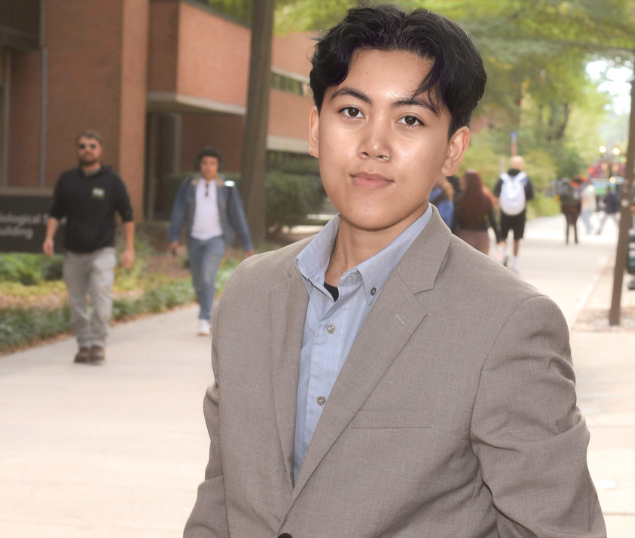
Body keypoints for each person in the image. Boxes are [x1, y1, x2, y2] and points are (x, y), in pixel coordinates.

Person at [184, 5, 604, 538]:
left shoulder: (507, 324)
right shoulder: (249, 293)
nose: (374, 146)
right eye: (352, 111)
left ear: (452, 150)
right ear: (315, 129)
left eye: (410, 120)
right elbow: (221, 500)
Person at [42, 129, 135, 364]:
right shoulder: (67, 179)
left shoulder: (112, 181)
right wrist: (49, 238)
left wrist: (129, 248)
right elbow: (55, 212)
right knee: (76, 303)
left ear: (100, 150)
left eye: (92, 146)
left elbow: (127, 215)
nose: (87, 150)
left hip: (102, 251)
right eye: (82, 146)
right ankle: (84, 345)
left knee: (101, 299)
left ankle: (98, 344)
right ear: (77, 150)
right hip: (73, 253)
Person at [168, 147, 254, 336]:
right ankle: (213, 314)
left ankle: (204, 318)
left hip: (216, 239)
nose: (208, 167)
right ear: (199, 165)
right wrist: (173, 237)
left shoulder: (226, 187)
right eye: (205, 163)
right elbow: (178, 212)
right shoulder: (188, 185)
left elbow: (237, 215)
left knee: (207, 276)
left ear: (218, 166)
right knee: (198, 281)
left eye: (212, 163)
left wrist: (247, 244)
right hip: (194, 239)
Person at [494, 155, 534, 272]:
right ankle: (514, 263)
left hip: (504, 212)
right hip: (520, 213)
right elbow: (530, 196)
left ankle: (504, 255)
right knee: (517, 238)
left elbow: (496, 192)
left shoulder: (503, 178)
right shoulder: (524, 179)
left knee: (503, 236)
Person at [454, 169, 500, 253]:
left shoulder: (460, 199)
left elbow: (455, 220)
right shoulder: (485, 198)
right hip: (482, 236)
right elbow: (492, 219)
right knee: (481, 261)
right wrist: (498, 238)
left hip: (465, 235)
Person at [558, 176, 583, 245]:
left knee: (567, 224)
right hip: (575, 209)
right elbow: (580, 200)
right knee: (575, 224)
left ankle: (567, 239)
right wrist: (580, 210)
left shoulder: (566, 187)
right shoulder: (578, 188)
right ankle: (576, 239)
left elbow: (560, 196)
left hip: (566, 208)